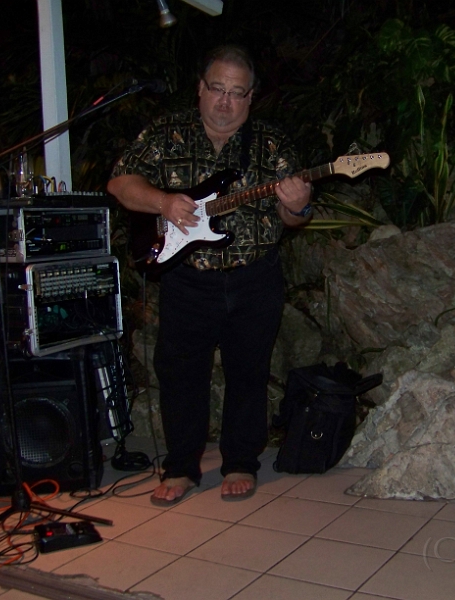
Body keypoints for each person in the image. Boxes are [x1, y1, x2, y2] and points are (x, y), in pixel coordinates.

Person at [107, 44, 312, 504]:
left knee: (249, 372)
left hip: (255, 277)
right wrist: (163, 202)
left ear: (251, 97)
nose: (225, 101)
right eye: (217, 89)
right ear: (200, 89)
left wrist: (298, 205)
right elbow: (120, 183)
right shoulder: (166, 133)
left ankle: (240, 462)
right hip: (186, 279)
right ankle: (181, 467)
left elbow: (292, 218)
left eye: (237, 93)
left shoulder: (272, 143)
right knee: (180, 374)